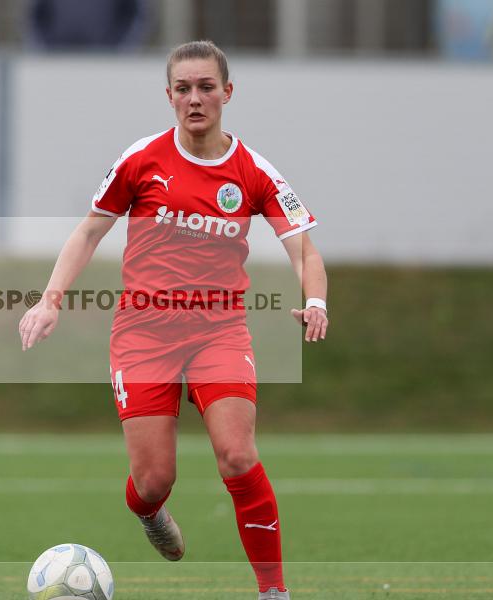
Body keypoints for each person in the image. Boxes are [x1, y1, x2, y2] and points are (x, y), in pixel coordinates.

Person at [18, 40, 328, 600]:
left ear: (227, 93)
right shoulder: (142, 158)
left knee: (237, 453)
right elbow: (90, 230)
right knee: (153, 480)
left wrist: (317, 301)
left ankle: (274, 593)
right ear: (169, 96)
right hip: (143, 335)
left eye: (206, 87)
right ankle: (148, 510)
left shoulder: (253, 171)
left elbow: (303, 248)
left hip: (219, 330)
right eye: (183, 89)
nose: (195, 98)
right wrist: (50, 298)